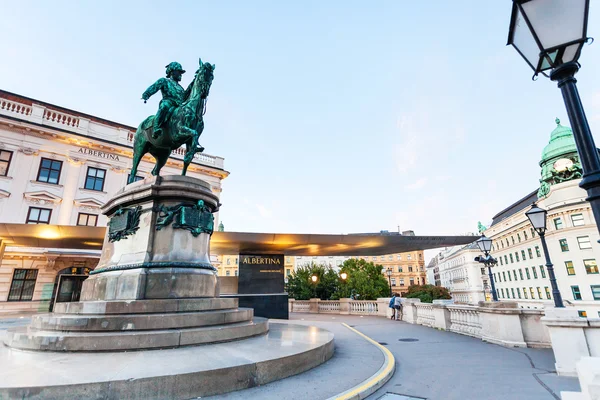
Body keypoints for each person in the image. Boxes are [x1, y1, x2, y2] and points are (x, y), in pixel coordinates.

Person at [142, 62, 190, 139]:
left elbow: (184, 98)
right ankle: (156, 128)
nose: (181, 75)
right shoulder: (164, 81)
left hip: (178, 106)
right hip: (168, 101)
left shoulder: (181, 88)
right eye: (179, 72)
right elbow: (154, 87)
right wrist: (146, 94)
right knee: (164, 106)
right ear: (172, 72)